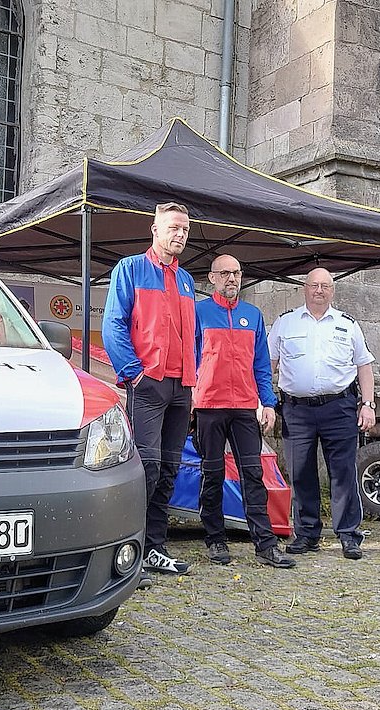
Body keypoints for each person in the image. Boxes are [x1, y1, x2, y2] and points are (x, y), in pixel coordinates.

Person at [103, 202, 197, 581]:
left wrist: (193, 378)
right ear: (155, 230)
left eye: (185, 229)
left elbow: (194, 336)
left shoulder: (186, 280)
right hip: (149, 383)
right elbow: (113, 325)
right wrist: (135, 375)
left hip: (181, 386)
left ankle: (155, 548)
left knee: (170, 469)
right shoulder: (130, 269)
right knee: (148, 469)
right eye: (173, 227)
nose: (180, 234)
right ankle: (131, 552)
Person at [192, 255, 295, 569]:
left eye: (236, 273)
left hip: (245, 407)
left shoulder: (253, 315)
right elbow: (190, 359)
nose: (232, 279)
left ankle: (265, 545)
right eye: (225, 273)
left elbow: (261, 364)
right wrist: (190, 401)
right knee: (212, 474)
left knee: (253, 475)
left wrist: (268, 403)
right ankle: (215, 539)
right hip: (209, 406)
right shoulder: (198, 312)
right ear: (212, 278)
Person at [268, 267, 377, 560]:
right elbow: (268, 365)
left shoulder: (347, 325)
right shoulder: (285, 323)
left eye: (325, 286)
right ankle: (306, 534)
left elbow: (364, 367)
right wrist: (263, 401)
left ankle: (348, 535)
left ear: (332, 291)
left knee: (343, 473)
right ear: (304, 288)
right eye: (314, 285)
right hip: (297, 410)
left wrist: (368, 405)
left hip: (338, 408)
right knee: (300, 472)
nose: (319, 290)